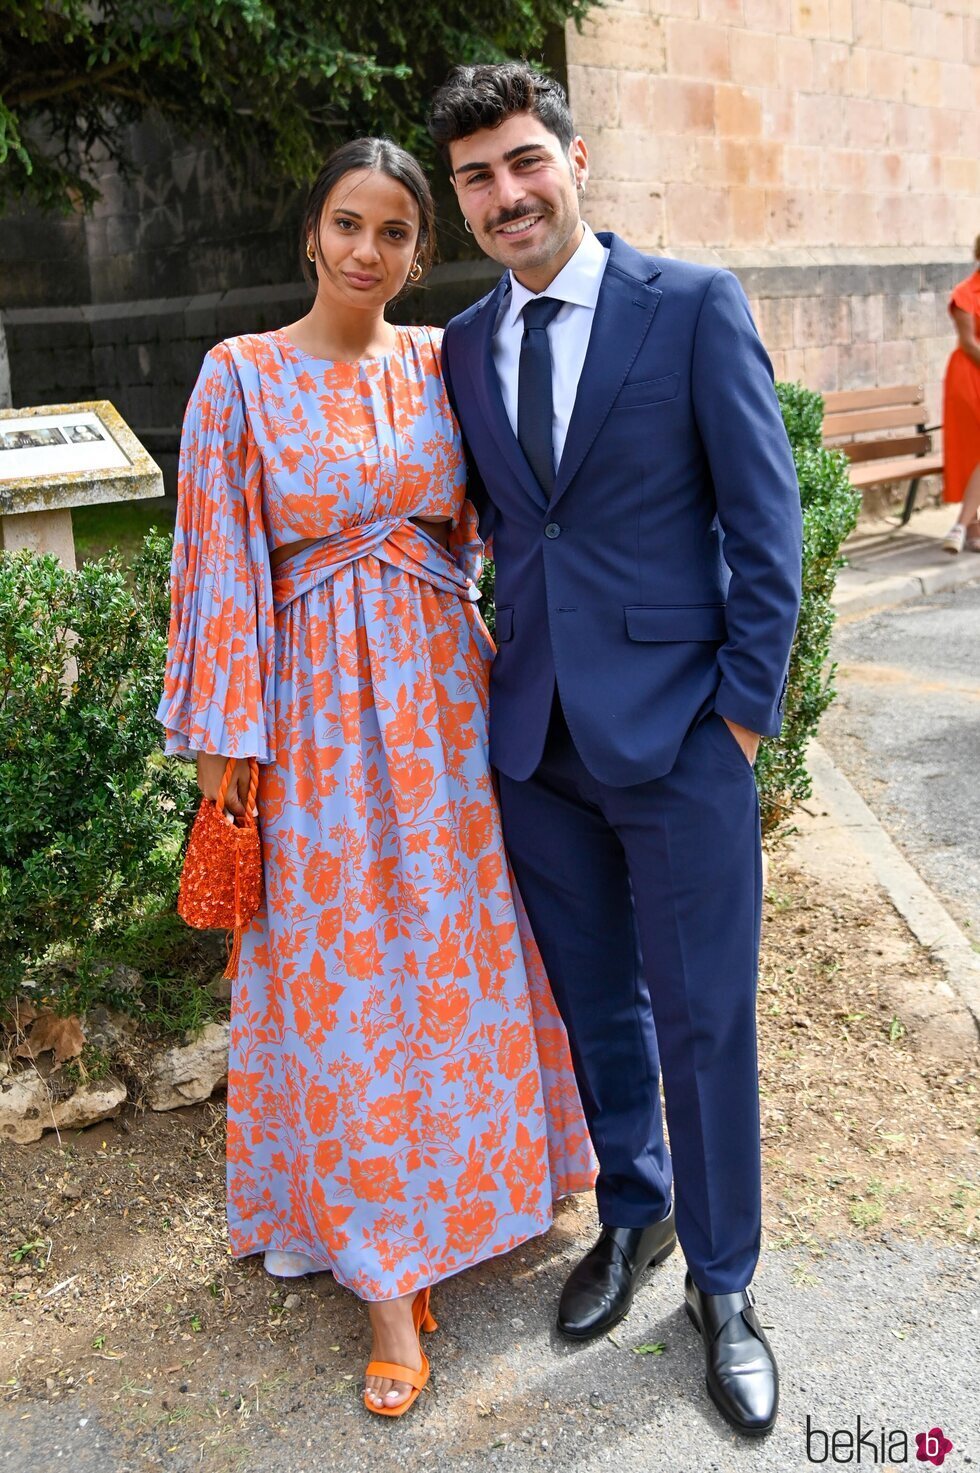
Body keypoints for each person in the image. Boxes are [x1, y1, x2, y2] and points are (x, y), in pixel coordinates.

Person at [157, 136, 594, 1420]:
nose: (368, 251)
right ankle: (387, 1282)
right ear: (311, 232)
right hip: (315, 724)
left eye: (396, 232)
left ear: (419, 249)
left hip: (446, 702)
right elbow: (218, 566)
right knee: (340, 983)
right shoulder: (239, 375)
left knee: (457, 959)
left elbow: (485, 525)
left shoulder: (439, 363)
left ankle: (470, 1195)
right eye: (348, 224)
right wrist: (229, 748)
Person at [428, 64, 802, 1437]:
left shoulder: (691, 306)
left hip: (684, 738)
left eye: (524, 160)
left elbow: (768, 532)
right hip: (535, 746)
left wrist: (743, 718)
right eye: (476, 176)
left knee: (706, 1020)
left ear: (574, 157)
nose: (507, 193)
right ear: (461, 200)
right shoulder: (463, 347)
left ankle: (724, 1284)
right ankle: (634, 1215)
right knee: (600, 1008)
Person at [941, 235, 980, 554]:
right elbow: (969, 343)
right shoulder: (965, 293)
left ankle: (967, 527)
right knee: (971, 449)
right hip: (969, 375)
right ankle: (965, 524)